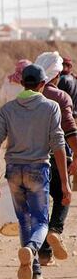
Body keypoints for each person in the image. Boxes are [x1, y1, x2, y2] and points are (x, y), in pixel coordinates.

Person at [0, 64, 71, 279]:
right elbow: (58, 144)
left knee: (24, 221)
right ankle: (32, 249)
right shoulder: (51, 107)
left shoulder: (8, 109)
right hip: (38, 169)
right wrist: (65, 182)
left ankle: (35, 275)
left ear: (22, 84)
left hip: (13, 170)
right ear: (42, 85)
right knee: (41, 220)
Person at [35, 51, 77, 266]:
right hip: (57, 157)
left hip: (31, 159)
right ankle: (55, 231)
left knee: (40, 205)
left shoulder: (29, 96)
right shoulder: (61, 97)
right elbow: (70, 129)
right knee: (63, 196)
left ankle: (43, 254)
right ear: (56, 76)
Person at [58, 57, 77, 191]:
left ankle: (64, 181)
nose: (64, 68)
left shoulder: (63, 80)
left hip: (66, 118)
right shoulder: (75, 79)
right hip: (74, 118)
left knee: (64, 149)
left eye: (66, 65)